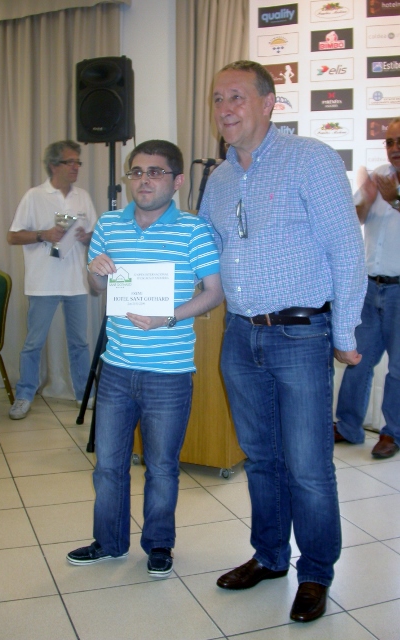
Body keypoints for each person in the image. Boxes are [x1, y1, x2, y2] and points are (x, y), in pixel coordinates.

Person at [198, 60, 367, 623]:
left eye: (237, 97)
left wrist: (344, 331)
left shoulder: (310, 159)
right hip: (239, 335)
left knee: (308, 466)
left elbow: (346, 248)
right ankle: (270, 556)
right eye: (218, 98)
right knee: (261, 459)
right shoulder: (219, 179)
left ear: (269, 103)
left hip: (300, 334)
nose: (225, 109)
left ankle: (315, 571)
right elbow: (205, 253)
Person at [67, 140, 223, 577]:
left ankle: (158, 544)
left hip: (168, 372)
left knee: (162, 468)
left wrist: (167, 317)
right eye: (137, 172)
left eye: (155, 172)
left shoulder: (193, 230)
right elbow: (99, 289)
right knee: (108, 467)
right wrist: (96, 272)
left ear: (177, 180)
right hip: (117, 367)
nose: (144, 180)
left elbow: (214, 292)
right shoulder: (109, 225)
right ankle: (109, 542)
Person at [7, 140, 97, 419]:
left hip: (75, 282)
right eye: (70, 162)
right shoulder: (34, 196)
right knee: (34, 343)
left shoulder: (83, 197)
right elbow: (13, 236)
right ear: (53, 165)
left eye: (78, 162)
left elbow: (95, 236)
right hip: (43, 282)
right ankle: (24, 395)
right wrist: (43, 235)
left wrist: (86, 237)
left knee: (80, 343)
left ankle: (84, 394)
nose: (76, 167)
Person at [334, 118, 400, 459]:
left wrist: (395, 199)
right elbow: (356, 219)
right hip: (371, 287)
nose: (394, 148)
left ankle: (392, 433)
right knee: (358, 359)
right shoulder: (380, 176)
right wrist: (368, 199)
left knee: (398, 369)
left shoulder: (391, 186)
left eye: (399, 141)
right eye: (390, 142)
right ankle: (348, 426)